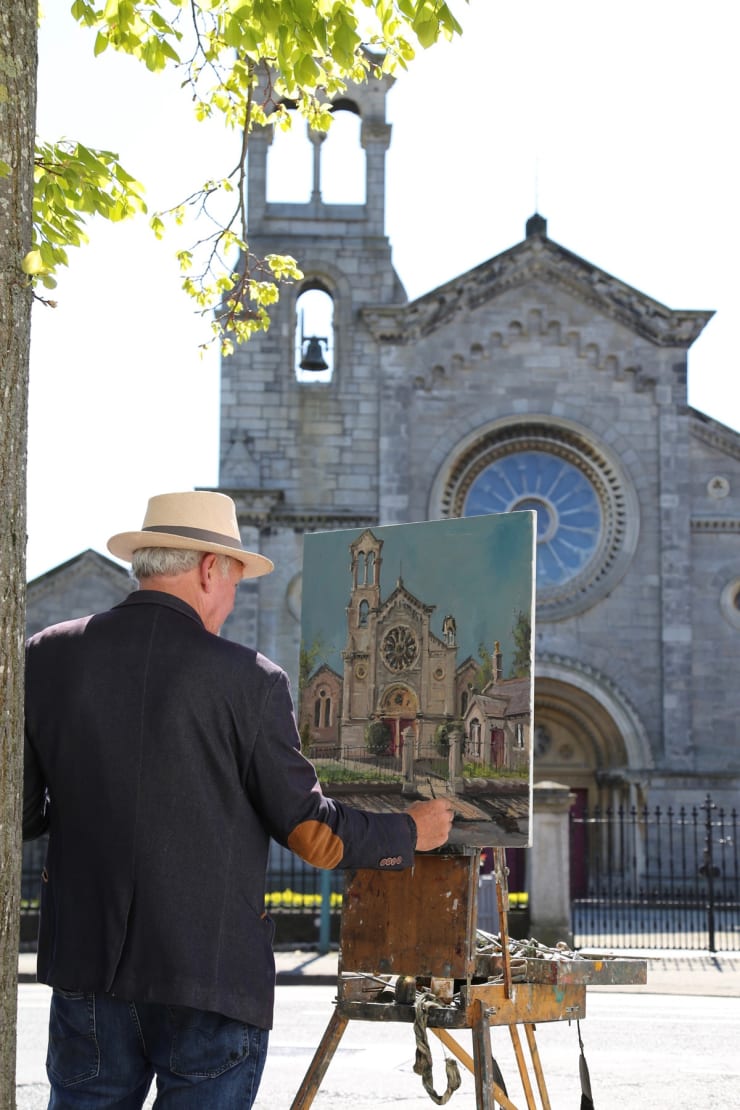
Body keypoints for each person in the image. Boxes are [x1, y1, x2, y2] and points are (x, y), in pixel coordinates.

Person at [23, 490, 455, 1109]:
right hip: (209, 981)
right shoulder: (249, 679)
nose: (229, 602)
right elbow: (311, 832)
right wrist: (407, 831)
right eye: (233, 581)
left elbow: (23, 813)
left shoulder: (48, 655)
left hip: (86, 974)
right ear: (207, 568)